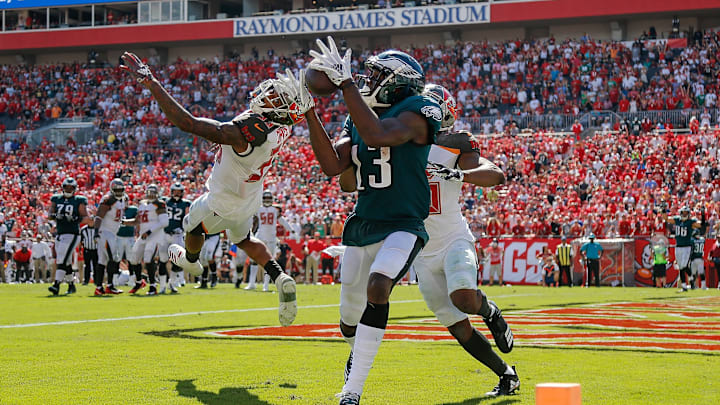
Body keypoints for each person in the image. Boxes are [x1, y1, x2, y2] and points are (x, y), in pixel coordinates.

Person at [121, 52, 309, 326]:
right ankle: (280, 277)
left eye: (273, 96)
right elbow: (244, 135)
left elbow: (188, 123)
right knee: (244, 240)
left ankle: (191, 262)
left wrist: (151, 82)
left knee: (190, 226)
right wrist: (225, 141)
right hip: (249, 198)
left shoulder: (246, 132)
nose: (265, 93)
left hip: (222, 200)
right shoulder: (281, 128)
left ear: (277, 109)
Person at [303, 37, 442, 404]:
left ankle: (353, 391)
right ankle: (357, 350)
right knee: (349, 319)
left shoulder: (421, 108)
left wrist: (346, 85)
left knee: (378, 288)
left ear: (398, 81)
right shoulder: (358, 114)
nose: (367, 79)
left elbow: (379, 134)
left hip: (404, 223)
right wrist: (308, 113)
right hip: (364, 223)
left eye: (377, 74)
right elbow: (333, 166)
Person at [412, 84, 518, 397]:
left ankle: (491, 312)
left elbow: (494, 173)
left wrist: (461, 176)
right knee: (457, 326)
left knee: (464, 299)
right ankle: (506, 374)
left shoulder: (456, 141)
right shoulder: (401, 142)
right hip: (421, 251)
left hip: (454, 239)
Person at [122, 184, 169, 295]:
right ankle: (139, 282)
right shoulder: (142, 204)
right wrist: (123, 222)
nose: (151, 195)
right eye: (149, 192)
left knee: (148, 259)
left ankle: (153, 286)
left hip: (155, 236)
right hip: (143, 236)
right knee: (133, 259)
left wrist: (149, 232)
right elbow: (137, 221)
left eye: (153, 192)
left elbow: (164, 222)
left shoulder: (159, 204)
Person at [48, 177, 89, 295]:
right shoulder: (56, 199)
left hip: (73, 234)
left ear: (75, 189)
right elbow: (50, 214)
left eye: (71, 188)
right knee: (64, 260)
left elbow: (85, 218)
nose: (69, 189)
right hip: (60, 234)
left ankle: (56, 285)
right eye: (67, 187)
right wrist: (56, 215)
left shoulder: (78, 200)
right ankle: (71, 286)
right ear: (63, 187)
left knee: (62, 258)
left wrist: (77, 218)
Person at [250, 190, 295, 291]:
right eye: (265, 198)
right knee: (254, 259)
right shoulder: (259, 209)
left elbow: (282, 221)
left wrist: (292, 231)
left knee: (268, 262)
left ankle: (265, 285)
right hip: (260, 236)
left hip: (270, 238)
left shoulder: (274, 210)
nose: (266, 200)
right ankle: (251, 283)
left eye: (268, 198)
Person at [93, 178, 127, 295]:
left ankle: (99, 288)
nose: (118, 192)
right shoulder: (108, 200)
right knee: (114, 258)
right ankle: (110, 285)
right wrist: (96, 232)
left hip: (112, 232)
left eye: (120, 190)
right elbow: (98, 216)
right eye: (116, 190)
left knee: (102, 260)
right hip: (105, 232)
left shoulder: (123, 199)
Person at [664, 207, 703, 291]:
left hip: (686, 247)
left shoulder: (690, 222)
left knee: (683, 266)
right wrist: (663, 210)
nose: (684, 214)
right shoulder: (677, 219)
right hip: (678, 246)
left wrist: (702, 215)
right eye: (683, 212)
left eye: (686, 213)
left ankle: (684, 286)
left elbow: (701, 225)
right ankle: (691, 279)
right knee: (682, 266)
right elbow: (666, 218)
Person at [162, 182, 191, 290]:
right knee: (162, 259)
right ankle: (162, 284)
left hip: (177, 235)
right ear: (171, 191)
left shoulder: (186, 204)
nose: (177, 194)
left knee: (178, 260)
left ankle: (172, 282)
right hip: (164, 234)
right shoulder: (165, 201)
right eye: (175, 191)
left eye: (179, 192)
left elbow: (188, 218)